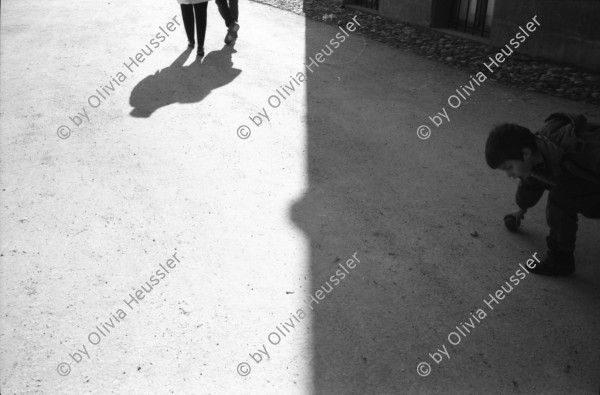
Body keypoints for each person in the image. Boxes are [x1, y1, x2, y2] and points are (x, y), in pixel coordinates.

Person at [485, 113, 600, 276]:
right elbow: (532, 183)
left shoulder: (577, 145)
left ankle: (560, 261)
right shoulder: (537, 154)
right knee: (556, 188)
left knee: (561, 198)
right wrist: (521, 209)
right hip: (589, 181)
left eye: (508, 167)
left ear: (525, 154)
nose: (508, 175)